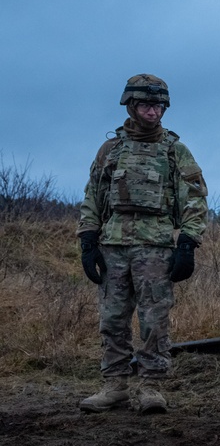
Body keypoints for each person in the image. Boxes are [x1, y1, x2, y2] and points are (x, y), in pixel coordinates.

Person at [77, 74, 209, 415]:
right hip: (114, 244)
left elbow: (195, 201)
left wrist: (188, 243)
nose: (153, 111)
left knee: (154, 320)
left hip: (156, 247)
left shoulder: (175, 150)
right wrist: (88, 239)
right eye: (146, 104)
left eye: (159, 105)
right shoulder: (111, 149)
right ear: (131, 106)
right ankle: (115, 385)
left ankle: (152, 386)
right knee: (113, 318)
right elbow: (93, 195)